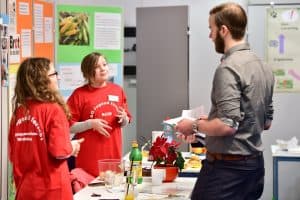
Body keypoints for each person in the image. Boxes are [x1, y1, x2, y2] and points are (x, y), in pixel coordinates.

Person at [176, 3, 274, 200]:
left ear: (223, 30)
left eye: (211, 29)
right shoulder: (263, 66)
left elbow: (227, 126)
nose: (210, 35)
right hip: (254, 169)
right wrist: (209, 121)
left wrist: (193, 125)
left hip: (227, 172)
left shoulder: (228, 68)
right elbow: (265, 122)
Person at [9, 57, 84, 200]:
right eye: (54, 74)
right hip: (52, 190)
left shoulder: (18, 112)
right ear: (42, 80)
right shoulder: (53, 110)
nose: (58, 77)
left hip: (26, 189)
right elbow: (60, 152)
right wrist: (72, 147)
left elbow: (14, 153)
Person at [67, 52, 132, 177]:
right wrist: (90, 124)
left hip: (113, 158)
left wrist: (124, 118)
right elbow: (68, 127)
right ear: (87, 72)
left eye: (104, 64)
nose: (103, 69)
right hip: (88, 161)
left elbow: (126, 120)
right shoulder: (79, 95)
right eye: (97, 67)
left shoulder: (117, 90)